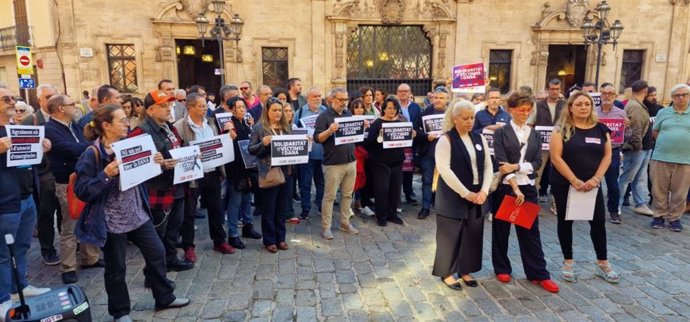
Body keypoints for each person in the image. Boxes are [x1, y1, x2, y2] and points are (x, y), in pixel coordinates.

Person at [74, 104, 190, 321]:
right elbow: (82, 191)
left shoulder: (130, 145)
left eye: (127, 119)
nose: (128, 123)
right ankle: (120, 312)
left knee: (157, 253)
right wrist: (106, 175)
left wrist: (159, 164)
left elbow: (141, 175)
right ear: (107, 126)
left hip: (137, 213)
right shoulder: (93, 153)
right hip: (112, 221)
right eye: (121, 120)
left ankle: (164, 297)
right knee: (116, 267)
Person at [491, 91, 559, 293]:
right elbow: (502, 164)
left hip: (527, 186)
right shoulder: (501, 133)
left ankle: (538, 273)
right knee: (501, 231)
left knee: (530, 232)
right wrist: (513, 183)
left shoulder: (535, 134)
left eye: (528, 110)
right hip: (506, 187)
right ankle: (502, 268)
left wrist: (518, 167)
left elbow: (538, 163)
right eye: (521, 110)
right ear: (511, 109)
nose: (525, 113)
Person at [550, 91, 619, 284]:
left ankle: (602, 262)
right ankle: (568, 261)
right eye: (579, 104)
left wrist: (596, 179)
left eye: (587, 104)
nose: (583, 107)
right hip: (565, 183)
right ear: (570, 107)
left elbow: (607, 156)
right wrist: (573, 180)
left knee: (597, 222)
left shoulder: (601, 128)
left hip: (592, 185)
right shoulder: (560, 129)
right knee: (566, 221)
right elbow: (556, 158)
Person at [129, 90, 198, 271]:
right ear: (151, 110)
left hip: (177, 185)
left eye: (169, 105)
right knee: (158, 233)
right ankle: (153, 272)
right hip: (158, 190)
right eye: (163, 105)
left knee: (174, 228)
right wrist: (160, 166)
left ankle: (171, 259)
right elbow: (135, 166)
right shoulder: (140, 132)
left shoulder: (170, 127)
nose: (169, 109)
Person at [0, 87, 51, 320]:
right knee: (2, 253)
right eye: (6, 99)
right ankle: (2, 300)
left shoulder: (19, 128)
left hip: (27, 197)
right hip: (5, 203)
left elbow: (29, 162)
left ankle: (19, 286)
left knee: (21, 247)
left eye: (13, 98)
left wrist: (42, 149)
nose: (12, 102)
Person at [431, 99, 492, 290]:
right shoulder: (446, 139)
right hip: (453, 195)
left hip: (477, 194)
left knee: (472, 234)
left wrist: (484, 190)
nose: (470, 121)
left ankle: (466, 269)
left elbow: (488, 165)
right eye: (465, 118)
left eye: (472, 117)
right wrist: (465, 193)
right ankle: (447, 272)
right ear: (455, 119)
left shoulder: (479, 138)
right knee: (450, 235)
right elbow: (444, 169)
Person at [44, 94, 104, 284]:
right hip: (66, 181)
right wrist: (88, 147)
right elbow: (69, 149)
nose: (76, 106)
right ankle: (68, 266)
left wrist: (85, 147)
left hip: (85, 177)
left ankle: (90, 258)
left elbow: (83, 144)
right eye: (72, 104)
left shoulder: (75, 125)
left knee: (90, 217)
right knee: (70, 224)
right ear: (61, 109)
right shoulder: (49, 129)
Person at [174, 93, 234, 260]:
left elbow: (218, 145)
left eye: (205, 106)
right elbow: (176, 151)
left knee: (216, 208)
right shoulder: (180, 126)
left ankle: (219, 241)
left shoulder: (211, 124)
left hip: (212, 172)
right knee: (190, 212)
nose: (205, 108)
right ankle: (188, 246)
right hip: (193, 176)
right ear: (190, 107)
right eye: (201, 106)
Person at [313, 88, 360, 239]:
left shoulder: (347, 114)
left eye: (346, 100)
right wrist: (329, 131)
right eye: (341, 100)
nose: (344, 103)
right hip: (333, 163)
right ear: (332, 99)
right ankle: (326, 227)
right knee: (330, 197)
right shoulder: (324, 116)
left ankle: (345, 223)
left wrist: (361, 126)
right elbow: (317, 138)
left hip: (351, 160)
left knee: (347, 195)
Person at [249, 98, 293, 253]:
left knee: (282, 208)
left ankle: (281, 238)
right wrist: (264, 143)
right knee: (269, 208)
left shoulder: (286, 126)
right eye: (274, 110)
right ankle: (269, 240)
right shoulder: (259, 128)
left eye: (280, 110)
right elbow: (251, 149)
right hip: (269, 172)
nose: (278, 113)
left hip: (286, 171)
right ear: (267, 111)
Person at [365, 97, 414, 226]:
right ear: (384, 109)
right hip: (380, 162)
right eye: (389, 108)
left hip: (397, 161)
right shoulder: (377, 123)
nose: (392, 110)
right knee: (382, 189)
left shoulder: (401, 122)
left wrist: (412, 135)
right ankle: (381, 216)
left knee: (395, 189)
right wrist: (379, 136)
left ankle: (392, 215)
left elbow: (407, 142)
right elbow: (369, 142)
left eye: (394, 108)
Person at [222, 96, 262, 247]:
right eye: (238, 107)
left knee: (247, 200)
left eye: (243, 107)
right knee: (235, 202)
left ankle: (248, 226)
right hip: (235, 170)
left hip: (248, 168)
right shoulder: (229, 124)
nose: (242, 109)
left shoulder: (245, 123)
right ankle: (233, 234)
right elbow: (225, 142)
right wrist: (227, 133)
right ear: (232, 109)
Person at [650, 83, 690, 232]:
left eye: (684, 95)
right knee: (659, 189)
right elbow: (655, 132)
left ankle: (674, 218)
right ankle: (658, 216)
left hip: (686, 159)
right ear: (672, 97)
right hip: (661, 157)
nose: (681, 98)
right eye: (677, 95)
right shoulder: (663, 113)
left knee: (680, 192)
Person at [618, 80, 653, 219]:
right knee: (626, 178)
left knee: (638, 178)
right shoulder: (636, 106)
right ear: (645, 91)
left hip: (643, 148)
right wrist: (637, 146)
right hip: (637, 148)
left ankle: (640, 203)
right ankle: (617, 204)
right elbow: (635, 130)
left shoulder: (637, 105)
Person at [530, 79, 565, 214]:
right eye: (552, 89)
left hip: (559, 145)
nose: (555, 91)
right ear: (547, 89)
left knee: (559, 174)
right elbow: (530, 123)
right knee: (536, 174)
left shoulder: (565, 105)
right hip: (541, 145)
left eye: (557, 89)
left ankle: (556, 204)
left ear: (560, 89)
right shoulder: (538, 105)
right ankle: (533, 203)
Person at [415, 86, 450, 219]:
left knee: (445, 180)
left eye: (441, 98)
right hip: (429, 152)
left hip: (447, 154)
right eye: (436, 97)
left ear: (447, 99)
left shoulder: (452, 113)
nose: (438, 100)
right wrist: (426, 136)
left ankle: (443, 205)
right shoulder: (426, 111)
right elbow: (416, 129)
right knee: (427, 180)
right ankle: (425, 207)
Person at [596, 84, 628, 224]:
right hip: (595, 151)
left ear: (615, 96)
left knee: (612, 183)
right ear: (600, 95)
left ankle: (614, 211)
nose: (607, 96)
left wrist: (627, 127)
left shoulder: (621, 114)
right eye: (604, 93)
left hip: (613, 151)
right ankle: (588, 209)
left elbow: (626, 135)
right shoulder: (593, 112)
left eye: (610, 93)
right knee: (591, 180)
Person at [295, 87, 326, 219]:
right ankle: (305, 208)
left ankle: (320, 205)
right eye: (315, 96)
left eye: (319, 96)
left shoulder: (326, 111)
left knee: (321, 182)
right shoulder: (301, 111)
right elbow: (294, 129)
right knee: (305, 183)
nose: (318, 98)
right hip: (307, 155)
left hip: (324, 154)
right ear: (308, 98)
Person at [349, 98, 375, 217]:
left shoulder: (368, 121)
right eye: (356, 107)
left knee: (364, 179)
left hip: (366, 155)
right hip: (354, 154)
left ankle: (362, 204)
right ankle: (350, 204)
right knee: (353, 180)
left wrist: (368, 127)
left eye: (361, 108)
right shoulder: (349, 121)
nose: (359, 110)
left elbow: (370, 139)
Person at [397, 83, 422, 205]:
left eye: (406, 91)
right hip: (396, 144)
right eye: (401, 91)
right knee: (397, 169)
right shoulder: (393, 106)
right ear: (397, 93)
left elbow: (418, 124)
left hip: (411, 144)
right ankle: (396, 195)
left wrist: (415, 132)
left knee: (409, 169)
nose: (403, 93)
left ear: (410, 93)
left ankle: (409, 193)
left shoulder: (416, 107)